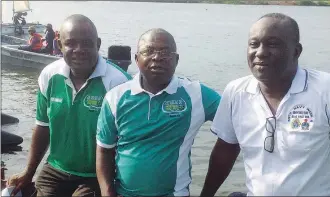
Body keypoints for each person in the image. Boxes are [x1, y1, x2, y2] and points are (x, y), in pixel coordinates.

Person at [200, 13, 330, 197]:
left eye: (273, 44)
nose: (260, 52)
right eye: (254, 44)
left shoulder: (324, 90)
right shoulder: (237, 91)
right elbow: (226, 149)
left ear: (296, 51)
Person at [7, 14, 132, 197]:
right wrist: (28, 172)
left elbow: (130, 141)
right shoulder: (49, 76)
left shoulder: (119, 83)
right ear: (59, 44)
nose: (79, 50)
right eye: (71, 43)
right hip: (56, 168)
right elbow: (42, 127)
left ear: (98, 44)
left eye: (87, 43)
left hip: (98, 174)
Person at [96, 28, 221, 197]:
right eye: (148, 51)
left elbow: (234, 117)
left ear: (176, 59)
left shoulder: (196, 94)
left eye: (165, 52)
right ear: (136, 59)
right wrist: (107, 192)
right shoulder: (115, 98)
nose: (157, 57)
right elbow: (104, 150)